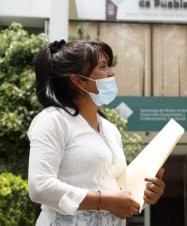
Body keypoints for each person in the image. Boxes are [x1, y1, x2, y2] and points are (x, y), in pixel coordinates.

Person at [28, 39, 165, 225]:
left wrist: (145, 193)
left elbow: (117, 189)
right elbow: (40, 187)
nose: (112, 72)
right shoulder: (53, 120)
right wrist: (104, 201)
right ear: (77, 80)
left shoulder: (111, 129)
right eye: (103, 66)